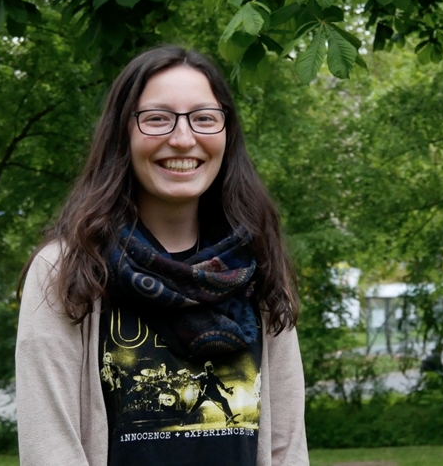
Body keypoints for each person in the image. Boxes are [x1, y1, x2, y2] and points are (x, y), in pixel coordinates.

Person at [16, 45, 308, 466]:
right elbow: (50, 448)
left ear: (227, 133)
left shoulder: (253, 265)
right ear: (122, 134)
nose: (183, 139)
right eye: (157, 118)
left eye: (204, 118)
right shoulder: (66, 269)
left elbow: (287, 448)